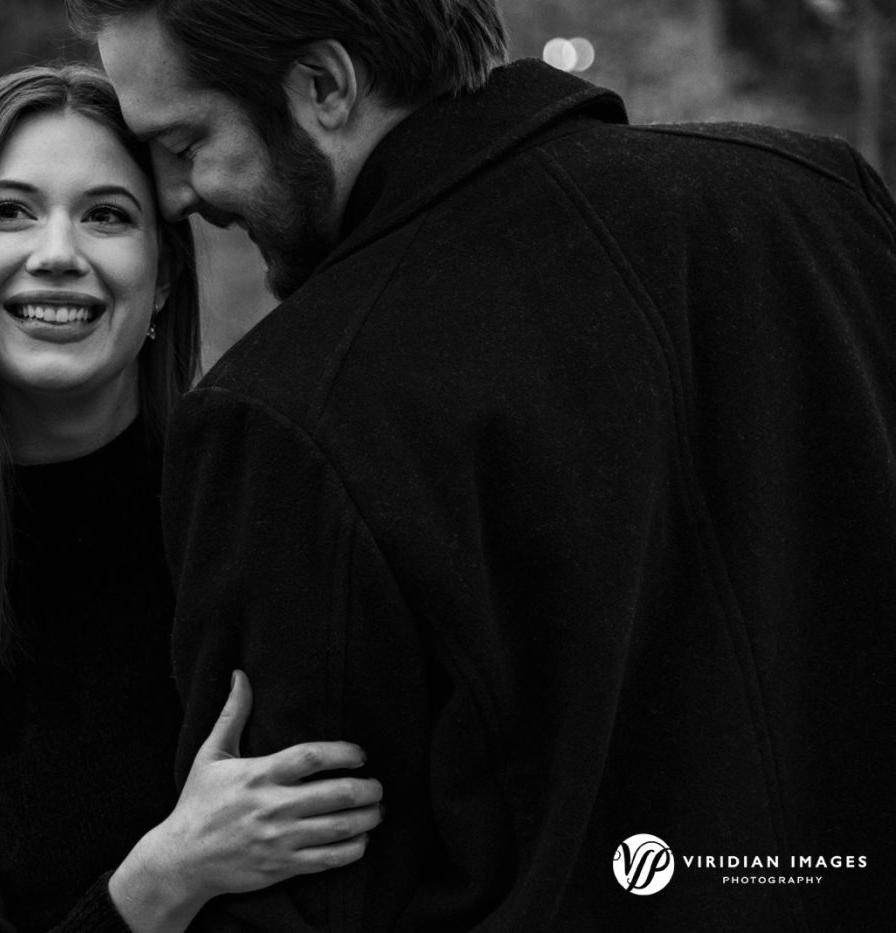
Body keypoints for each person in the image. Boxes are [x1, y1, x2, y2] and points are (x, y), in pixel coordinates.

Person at [68, 0, 896, 929]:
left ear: (325, 87)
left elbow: (309, 902)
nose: (178, 195)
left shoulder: (290, 415)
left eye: (185, 142)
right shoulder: (821, 205)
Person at [0, 64, 385, 933]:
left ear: (165, 275)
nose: (59, 253)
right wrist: (164, 877)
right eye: (10, 212)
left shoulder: (268, 523)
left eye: (107, 214)